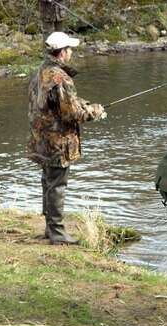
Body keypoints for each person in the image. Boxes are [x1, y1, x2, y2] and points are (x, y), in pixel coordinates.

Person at [27, 32, 106, 245]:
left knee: (48, 181)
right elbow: (72, 114)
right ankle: (57, 233)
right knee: (57, 185)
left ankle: (50, 228)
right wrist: (95, 111)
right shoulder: (60, 78)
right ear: (62, 53)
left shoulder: (41, 71)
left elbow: (58, 104)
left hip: (41, 139)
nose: (71, 52)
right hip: (57, 142)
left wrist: (84, 103)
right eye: (69, 49)